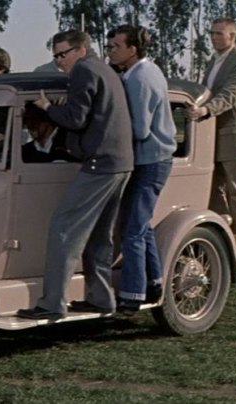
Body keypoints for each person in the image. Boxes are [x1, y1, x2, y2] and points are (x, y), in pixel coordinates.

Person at [16, 30, 134, 319]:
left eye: (62, 54)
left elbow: (75, 119)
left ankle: (52, 304)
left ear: (80, 50)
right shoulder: (104, 70)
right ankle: (101, 299)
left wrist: (45, 108)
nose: (59, 62)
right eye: (55, 56)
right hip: (120, 162)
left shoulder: (83, 70)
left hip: (100, 164)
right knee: (99, 235)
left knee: (63, 229)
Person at [106, 25, 177, 312]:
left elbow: (138, 128)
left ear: (132, 49)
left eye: (115, 46)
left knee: (132, 229)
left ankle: (133, 293)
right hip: (149, 160)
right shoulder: (141, 72)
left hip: (151, 161)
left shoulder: (140, 78)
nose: (111, 49)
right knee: (142, 225)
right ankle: (155, 280)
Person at [186, 17, 236, 263]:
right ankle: (223, 227)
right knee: (213, 188)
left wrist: (205, 110)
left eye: (219, 34)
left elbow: (230, 95)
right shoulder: (214, 60)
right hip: (211, 136)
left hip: (233, 136)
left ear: (232, 36)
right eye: (212, 33)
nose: (214, 38)